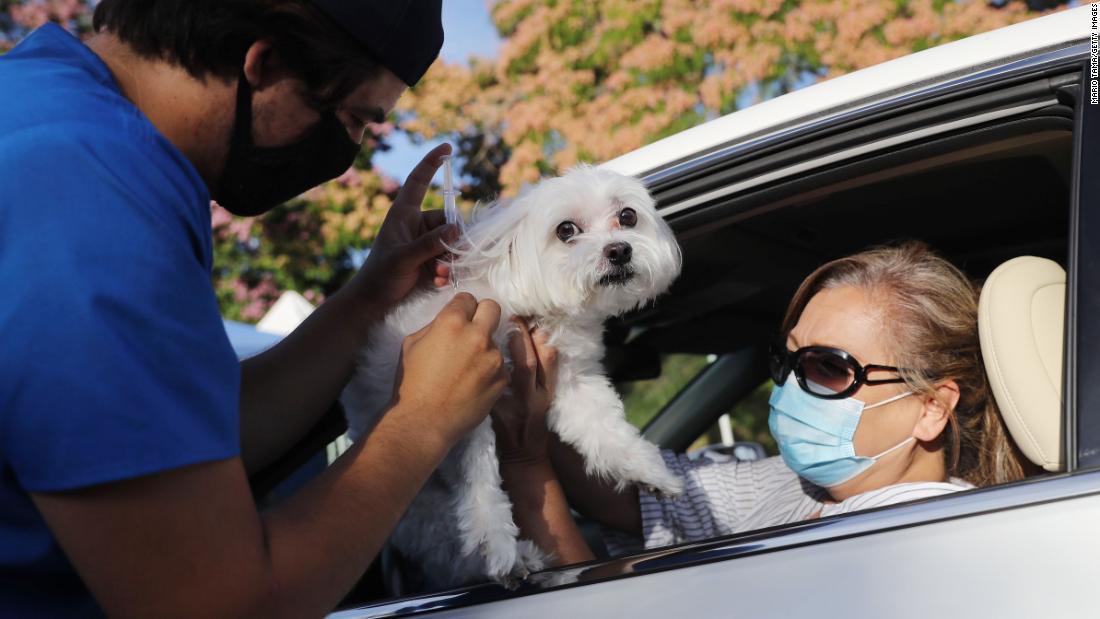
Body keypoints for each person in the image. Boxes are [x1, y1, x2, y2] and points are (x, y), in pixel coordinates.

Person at [0, 1, 508, 617]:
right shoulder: (92, 202)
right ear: (263, 64)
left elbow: (184, 444)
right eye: (352, 119)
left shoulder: (44, 113)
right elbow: (219, 603)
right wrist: (423, 422)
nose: (348, 149)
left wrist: (370, 298)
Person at [493, 242, 1033, 564]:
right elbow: (638, 498)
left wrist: (524, 462)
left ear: (932, 408)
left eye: (829, 367)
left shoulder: (908, 545)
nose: (791, 388)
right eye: (788, 359)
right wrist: (538, 404)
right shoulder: (809, 485)